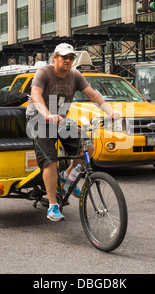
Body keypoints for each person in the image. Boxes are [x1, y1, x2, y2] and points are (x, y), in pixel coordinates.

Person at [26, 43, 120, 222]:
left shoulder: (75, 75)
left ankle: (67, 175)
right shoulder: (44, 73)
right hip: (38, 118)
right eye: (64, 57)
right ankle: (53, 205)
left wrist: (109, 112)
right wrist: (47, 114)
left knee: (88, 148)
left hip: (60, 119)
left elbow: (93, 94)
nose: (68, 60)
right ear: (55, 57)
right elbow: (36, 95)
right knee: (50, 160)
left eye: (71, 57)